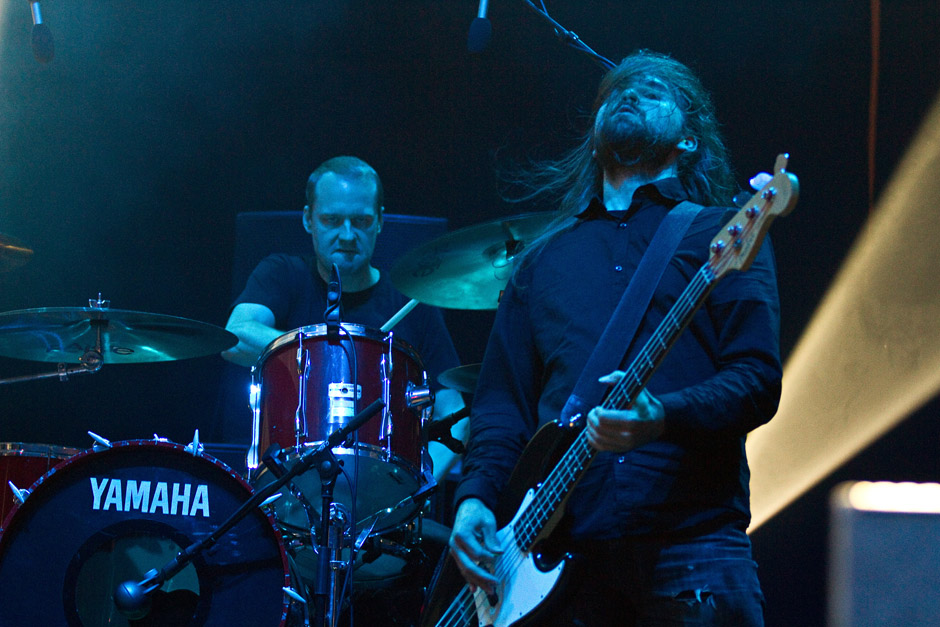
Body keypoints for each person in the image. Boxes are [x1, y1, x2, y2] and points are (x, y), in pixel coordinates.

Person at [448, 50, 782, 625]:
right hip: (555, 560)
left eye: (654, 91)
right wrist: (475, 496)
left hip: (690, 548)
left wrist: (664, 417)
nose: (629, 94)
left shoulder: (720, 235)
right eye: (616, 91)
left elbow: (757, 380)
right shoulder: (544, 258)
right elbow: (504, 404)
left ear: (690, 140)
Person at [222, 155, 466, 484]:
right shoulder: (283, 273)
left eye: (361, 221)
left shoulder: (412, 302)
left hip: (382, 496)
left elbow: (456, 415)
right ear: (309, 219)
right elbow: (235, 337)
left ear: (379, 221)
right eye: (332, 220)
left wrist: (415, 486)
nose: (348, 235)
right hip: (288, 484)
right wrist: (327, 354)